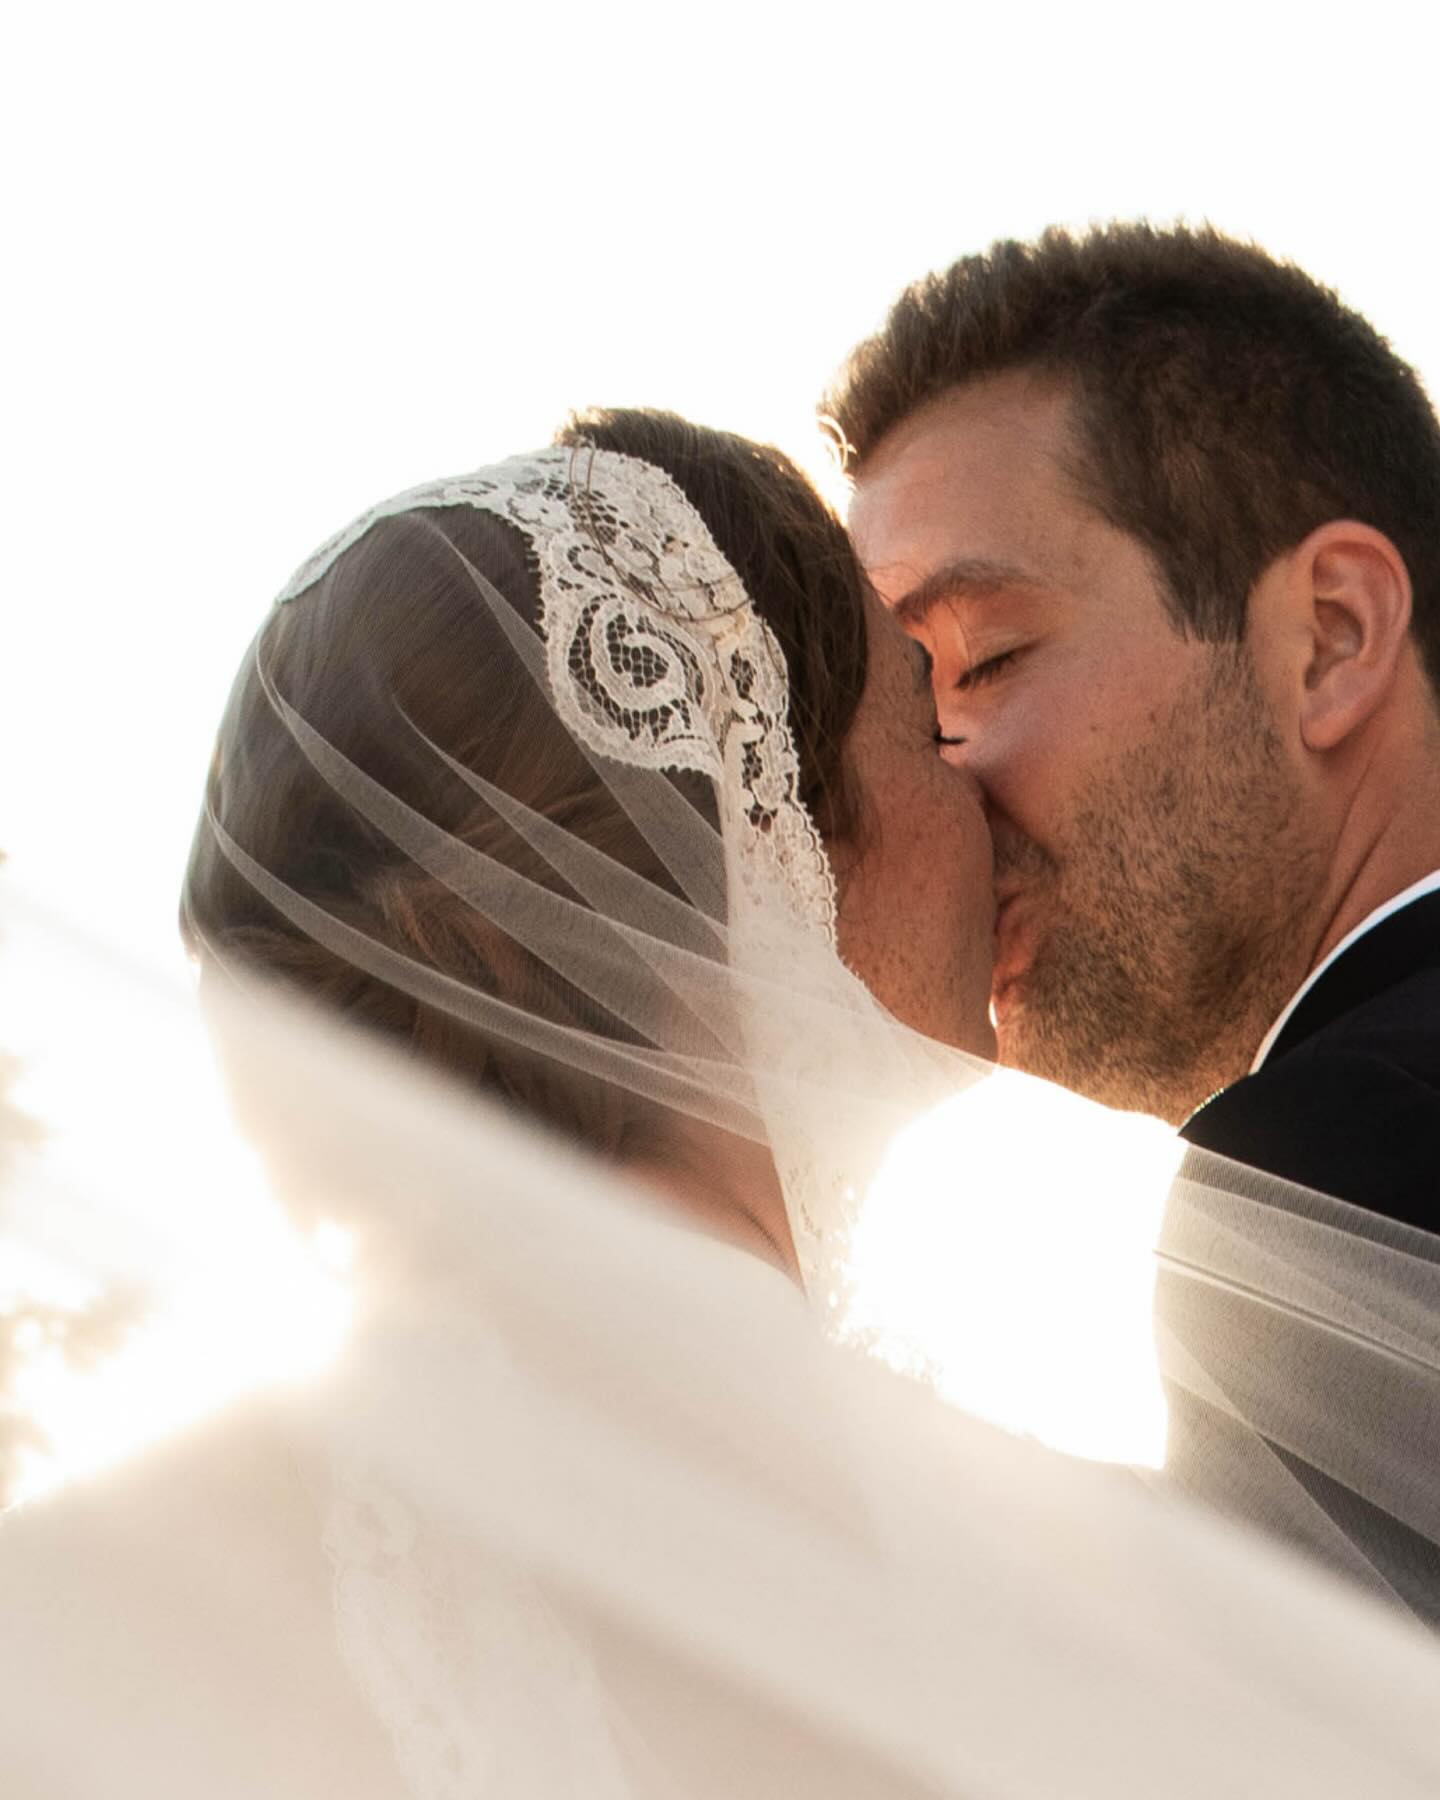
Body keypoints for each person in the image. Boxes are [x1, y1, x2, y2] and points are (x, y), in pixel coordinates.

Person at [828, 222, 1440, 1233]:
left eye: (984, 662)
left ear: (1332, 637)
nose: (936, 800)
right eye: (905, 712)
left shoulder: (1327, 1167)